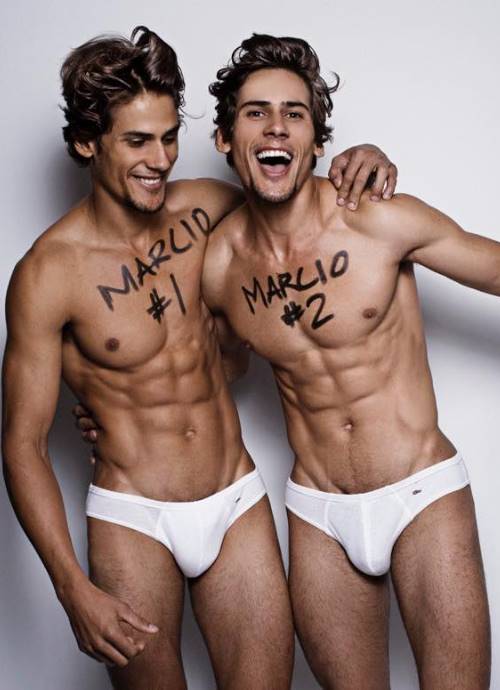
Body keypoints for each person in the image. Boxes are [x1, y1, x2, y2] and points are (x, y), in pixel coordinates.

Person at [1, 26, 397, 690]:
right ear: (87, 142)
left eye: (168, 138)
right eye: (137, 142)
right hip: (133, 516)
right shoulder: (48, 274)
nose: (160, 160)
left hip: (234, 499)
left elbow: (297, 198)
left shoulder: (208, 208)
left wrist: (364, 157)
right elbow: (22, 442)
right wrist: (71, 587)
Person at [196, 34, 495, 689]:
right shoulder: (218, 267)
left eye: (294, 113)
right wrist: (113, 413)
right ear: (225, 138)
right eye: (255, 112)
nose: (276, 126)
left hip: (421, 492)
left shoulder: (376, 220)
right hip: (319, 513)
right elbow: (221, 367)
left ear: (316, 140)